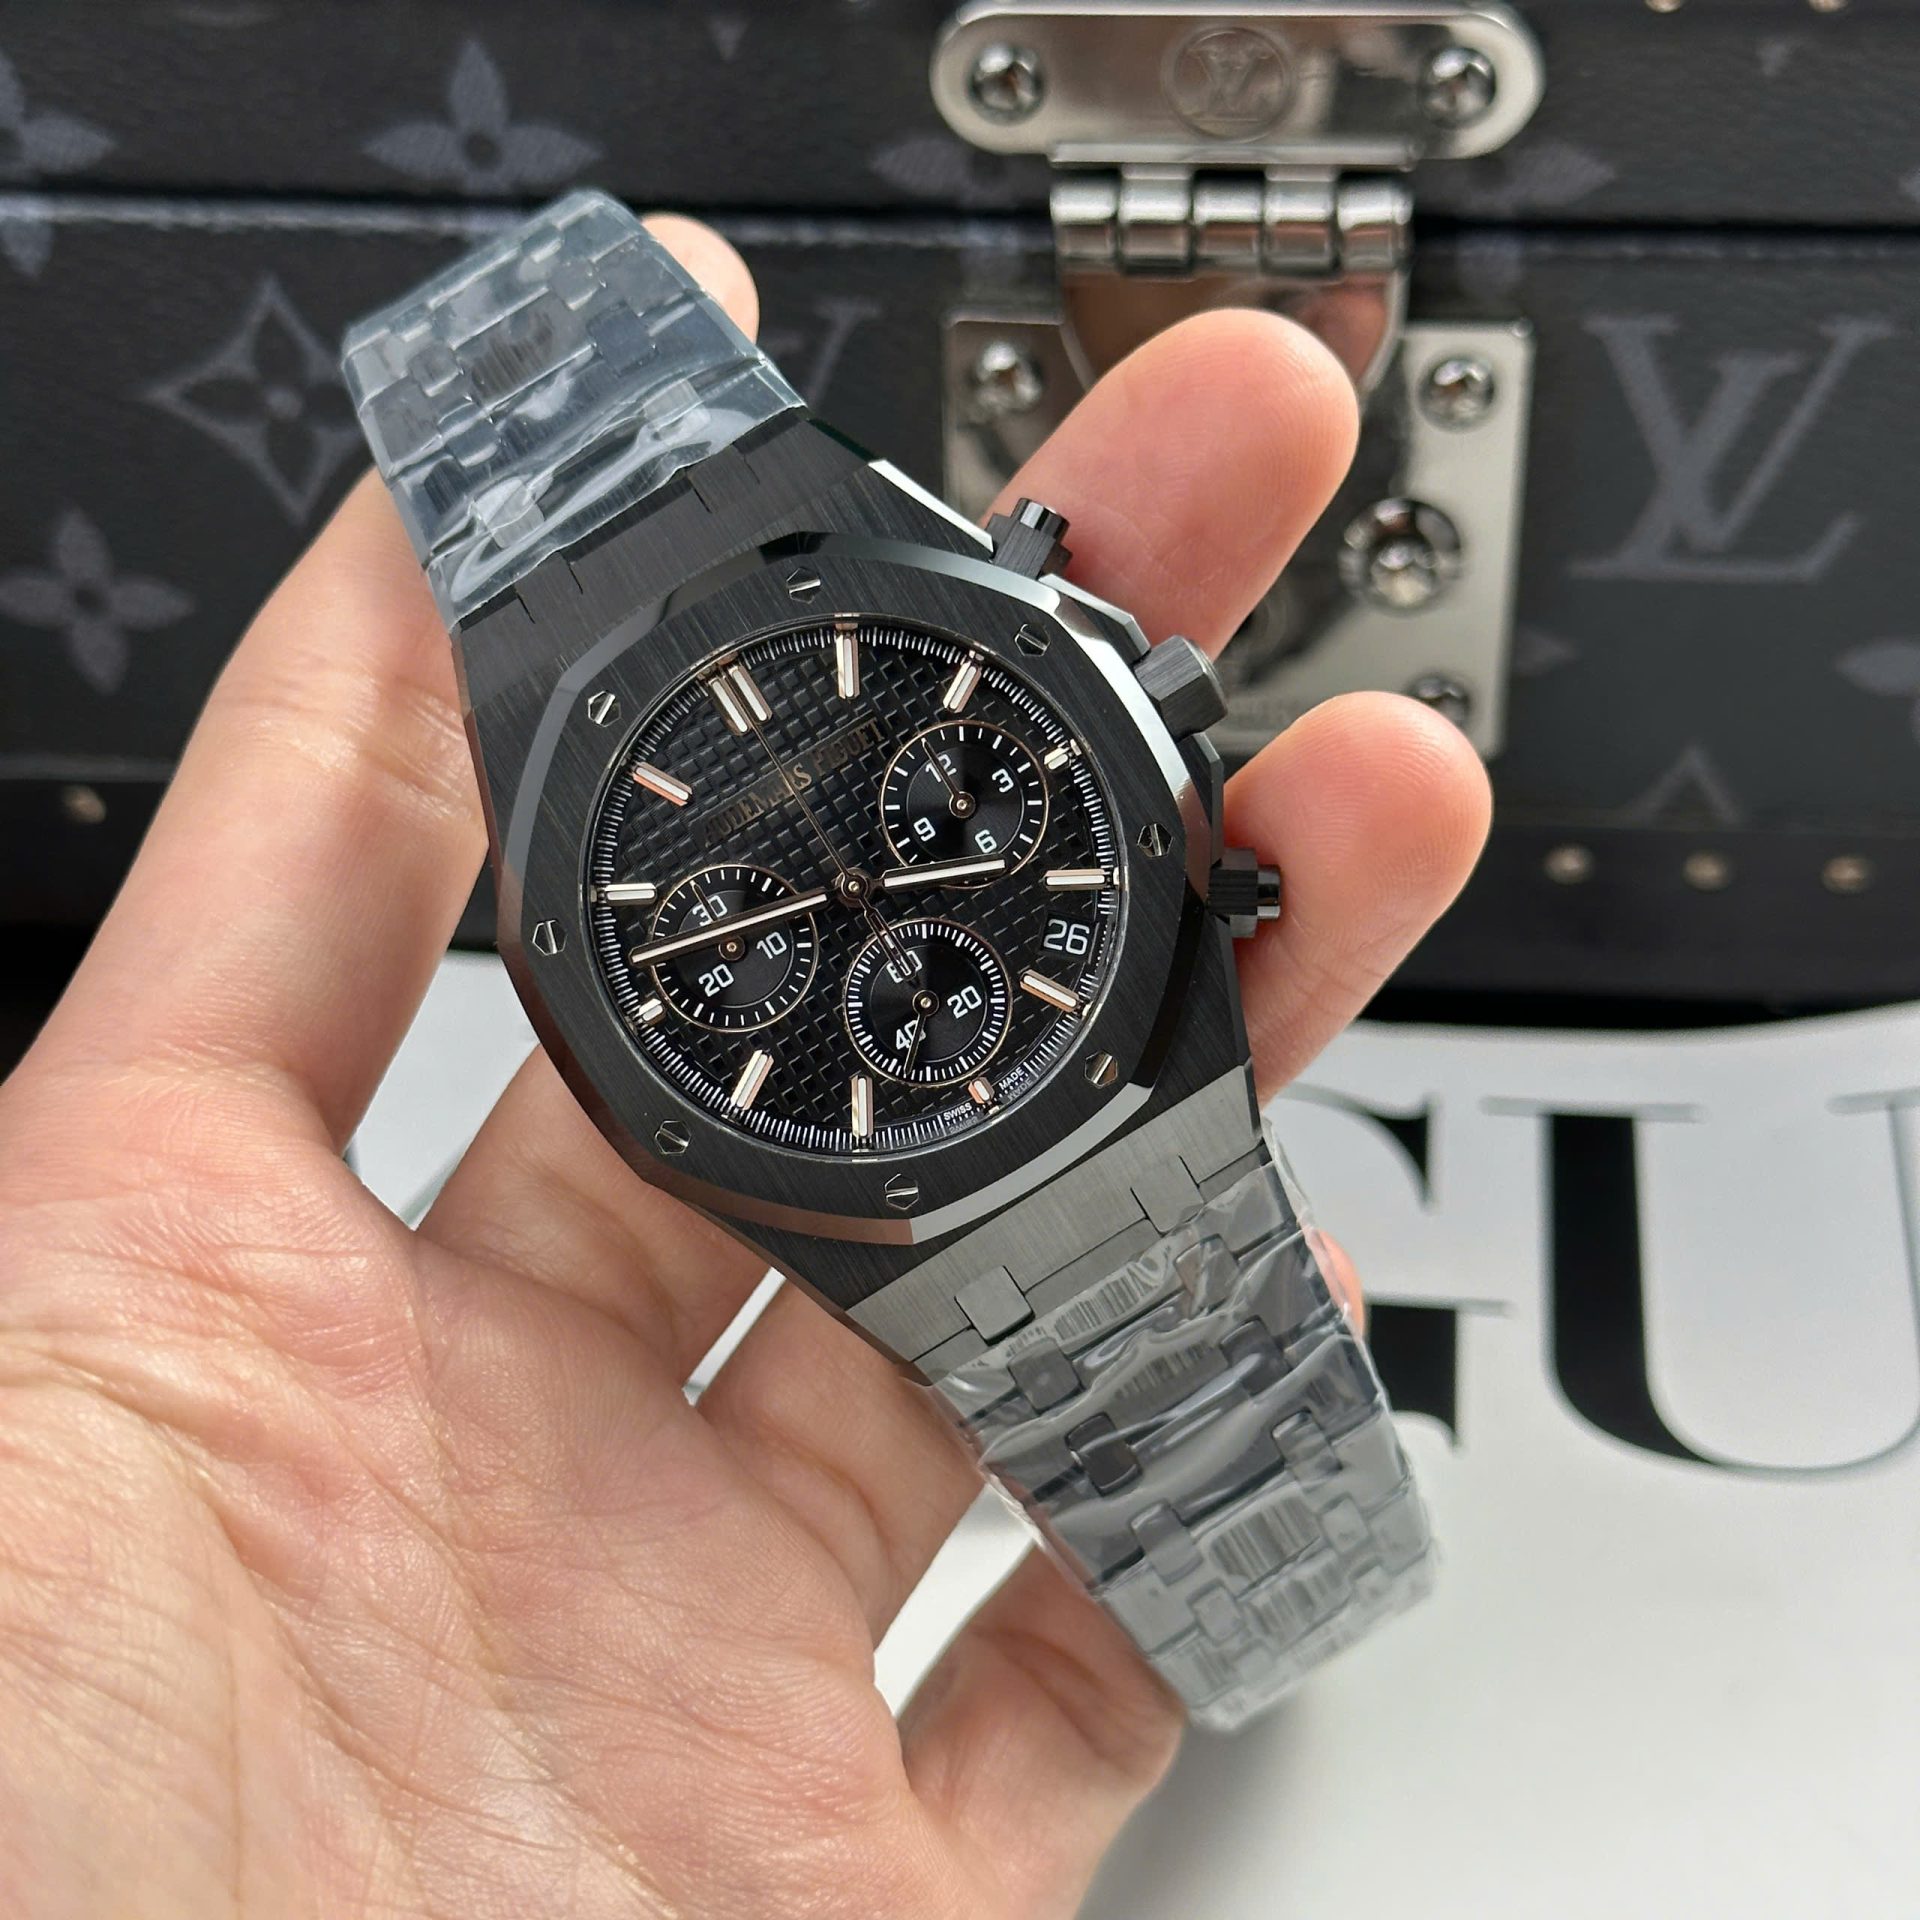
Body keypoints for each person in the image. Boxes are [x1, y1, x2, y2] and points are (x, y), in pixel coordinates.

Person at [0, 217, 1488, 1917]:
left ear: (1132, 697)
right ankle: (1298, 1598)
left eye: (912, 836)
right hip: (957, 1153)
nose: (853, 892)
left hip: (1071, 1082)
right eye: (771, 914)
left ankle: (1301, 1591)